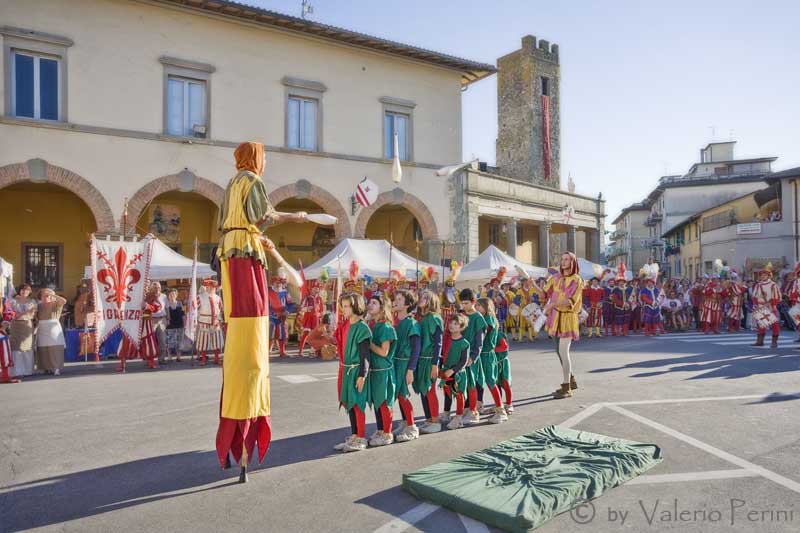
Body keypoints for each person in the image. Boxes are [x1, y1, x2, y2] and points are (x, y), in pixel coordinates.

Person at [215, 141, 308, 477]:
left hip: (232, 256)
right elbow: (263, 215)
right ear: (254, 159)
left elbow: (227, 222)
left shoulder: (230, 184)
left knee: (241, 335)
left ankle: (233, 442)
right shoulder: (252, 182)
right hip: (244, 256)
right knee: (252, 335)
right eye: (264, 158)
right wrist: (290, 216)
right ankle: (243, 433)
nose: (265, 164)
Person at [333, 293, 372, 453]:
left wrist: (362, 375)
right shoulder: (345, 325)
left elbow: (365, 355)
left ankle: (361, 437)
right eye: (342, 305)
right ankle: (354, 435)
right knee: (349, 403)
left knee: (357, 404)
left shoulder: (362, 327)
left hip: (356, 370)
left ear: (356, 306)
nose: (343, 309)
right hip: (345, 369)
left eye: (347, 306)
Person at [543, 252, 584, 399]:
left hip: (567, 318)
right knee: (558, 350)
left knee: (563, 352)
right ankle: (571, 379)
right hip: (555, 318)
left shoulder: (577, 280)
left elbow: (570, 301)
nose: (563, 262)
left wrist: (552, 305)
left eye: (566, 259)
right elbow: (544, 293)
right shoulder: (556, 277)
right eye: (562, 259)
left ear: (573, 262)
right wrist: (531, 283)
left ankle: (566, 388)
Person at [391, 289, 422, 442]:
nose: (395, 301)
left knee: (403, 394)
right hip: (394, 361)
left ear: (408, 304)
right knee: (397, 394)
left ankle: (412, 426)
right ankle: (404, 423)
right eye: (395, 298)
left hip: (404, 363)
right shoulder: (395, 321)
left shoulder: (411, 322)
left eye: (400, 299)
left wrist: (411, 369)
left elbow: (416, 348)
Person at [367, 294, 397, 447]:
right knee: (377, 401)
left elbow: (384, 352)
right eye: (369, 302)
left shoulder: (385, 327)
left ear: (382, 307)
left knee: (384, 402)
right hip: (375, 369)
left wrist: (369, 342)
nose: (370, 305)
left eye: (374, 303)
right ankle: (380, 429)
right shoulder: (374, 325)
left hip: (383, 371)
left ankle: (387, 433)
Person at [413, 289, 444, 434]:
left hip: (430, 360)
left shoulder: (435, 318)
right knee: (423, 390)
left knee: (430, 391)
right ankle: (428, 419)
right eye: (421, 296)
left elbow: (438, 343)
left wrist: (435, 365)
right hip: (421, 360)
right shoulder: (422, 318)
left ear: (431, 301)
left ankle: (435, 420)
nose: (421, 298)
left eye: (425, 297)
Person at [475, 297, 508, 424]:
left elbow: (482, 334)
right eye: (476, 305)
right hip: (482, 354)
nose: (476, 308)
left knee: (490, 382)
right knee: (480, 381)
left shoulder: (488, 320)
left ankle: (501, 410)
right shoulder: (486, 319)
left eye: (479, 305)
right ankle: (478, 406)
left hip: (487, 355)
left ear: (486, 307)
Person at [458, 288, 486, 425]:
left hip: (472, 358)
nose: (464, 306)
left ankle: (474, 411)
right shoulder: (462, 316)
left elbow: (480, 341)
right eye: (462, 303)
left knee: (472, 384)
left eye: (467, 303)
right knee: (463, 384)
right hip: (462, 355)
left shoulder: (478, 318)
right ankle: (466, 408)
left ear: (474, 302)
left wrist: (473, 357)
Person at [438, 313, 470, 430]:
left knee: (459, 395)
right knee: (447, 394)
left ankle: (458, 418)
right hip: (446, 373)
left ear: (462, 327)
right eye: (451, 322)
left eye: (456, 324)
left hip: (458, 375)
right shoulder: (446, 340)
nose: (452, 325)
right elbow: (442, 355)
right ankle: (446, 414)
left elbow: (463, 362)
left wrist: (453, 370)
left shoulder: (464, 343)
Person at [35, 288, 67, 376]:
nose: (46, 296)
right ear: (40, 297)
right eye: (43, 295)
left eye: (47, 295)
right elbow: (36, 318)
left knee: (55, 348)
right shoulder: (39, 305)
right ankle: (46, 368)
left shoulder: (56, 303)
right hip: (42, 328)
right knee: (43, 349)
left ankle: (56, 368)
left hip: (53, 328)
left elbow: (64, 301)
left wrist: (52, 295)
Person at [751, 263, 781, 348]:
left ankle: (774, 342)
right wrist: (755, 305)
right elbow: (754, 296)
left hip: (770, 306)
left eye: (765, 275)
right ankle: (760, 341)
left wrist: (772, 304)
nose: (763, 276)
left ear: (769, 276)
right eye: (762, 275)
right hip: (761, 306)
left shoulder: (773, 285)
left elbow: (777, 296)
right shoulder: (758, 285)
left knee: (774, 324)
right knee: (762, 324)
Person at [10, 284, 36, 377]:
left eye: (26, 290)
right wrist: (26, 312)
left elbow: (32, 314)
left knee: (27, 346)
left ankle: (27, 371)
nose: (24, 292)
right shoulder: (13, 301)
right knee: (16, 347)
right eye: (22, 290)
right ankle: (17, 371)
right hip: (15, 325)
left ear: (29, 292)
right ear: (19, 291)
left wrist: (25, 313)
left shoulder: (32, 302)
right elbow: (15, 315)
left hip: (27, 325)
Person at [196, 278, 224, 366]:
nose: (211, 288)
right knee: (203, 341)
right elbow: (194, 308)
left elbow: (220, 309)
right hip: (204, 321)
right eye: (209, 286)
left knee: (217, 340)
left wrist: (220, 320)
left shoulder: (218, 298)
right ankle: (203, 359)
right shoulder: (200, 297)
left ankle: (216, 358)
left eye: (212, 287)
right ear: (206, 287)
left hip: (215, 322)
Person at [298, 281, 324, 357]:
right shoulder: (307, 297)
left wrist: (321, 316)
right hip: (308, 318)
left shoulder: (320, 298)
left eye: (317, 288)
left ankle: (315, 351)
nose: (316, 290)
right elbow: (301, 308)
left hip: (316, 319)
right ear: (311, 289)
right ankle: (300, 351)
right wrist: (306, 309)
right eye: (315, 288)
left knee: (316, 335)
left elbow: (322, 309)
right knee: (305, 334)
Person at [149, 282, 169, 365]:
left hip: (162, 319)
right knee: (150, 340)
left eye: (158, 287)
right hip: (151, 320)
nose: (157, 288)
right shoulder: (149, 296)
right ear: (152, 288)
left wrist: (168, 318)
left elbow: (167, 308)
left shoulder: (164, 296)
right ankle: (150, 359)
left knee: (162, 340)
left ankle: (162, 358)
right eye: (155, 287)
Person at [165, 288, 185, 362]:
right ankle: (169, 357)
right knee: (170, 341)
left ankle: (178, 357)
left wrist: (184, 323)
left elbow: (183, 314)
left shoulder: (180, 303)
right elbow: (166, 314)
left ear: (176, 295)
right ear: (168, 296)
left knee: (179, 341)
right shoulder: (166, 304)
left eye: (174, 294)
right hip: (170, 325)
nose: (172, 295)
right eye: (170, 294)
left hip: (180, 324)